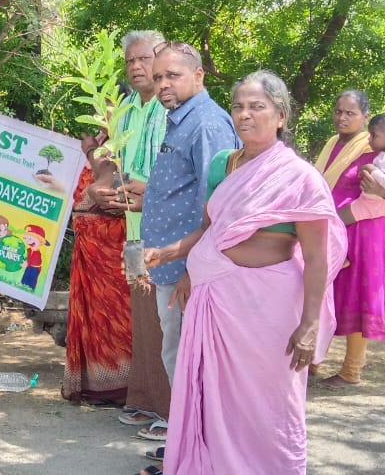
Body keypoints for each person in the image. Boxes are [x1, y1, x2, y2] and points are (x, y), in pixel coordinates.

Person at [140, 71, 346, 475]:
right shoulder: (223, 164)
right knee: (216, 396)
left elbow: (317, 258)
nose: (245, 115)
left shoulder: (300, 178)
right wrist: (171, 255)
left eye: (257, 107)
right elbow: (209, 229)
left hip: (269, 307)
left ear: (281, 115)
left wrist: (309, 324)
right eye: (238, 106)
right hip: (215, 300)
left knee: (272, 402)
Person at [130, 41, 240, 445]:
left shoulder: (208, 124)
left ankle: (196, 448)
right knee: (177, 355)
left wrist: (194, 269)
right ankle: (189, 445)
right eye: (158, 77)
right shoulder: (180, 119)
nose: (161, 85)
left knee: (189, 360)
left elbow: (213, 204)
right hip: (170, 264)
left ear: (199, 76)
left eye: (171, 75)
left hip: (188, 270)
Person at [85, 30, 171, 430]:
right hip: (135, 227)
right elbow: (124, 170)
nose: (137, 67)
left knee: (168, 324)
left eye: (145, 59)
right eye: (130, 61)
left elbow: (185, 178)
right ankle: (148, 401)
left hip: (169, 231)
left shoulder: (174, 109)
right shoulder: (132, 111)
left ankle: (175, 412)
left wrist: (142, 191)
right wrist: (109, 192)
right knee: (145, 322)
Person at [312, 89, 385, 389]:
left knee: (356, 297)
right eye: (338, 111)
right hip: (328, 232)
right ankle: (312, 361)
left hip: (363, 233)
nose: (342, 117)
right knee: (321, 294)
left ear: (365, 116)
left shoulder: (378, 146)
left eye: (350, 113)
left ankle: (351, 370)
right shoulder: (333, 144)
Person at [61, 133, 131, 405]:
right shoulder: (92, 151)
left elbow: (110, 192)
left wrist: (92, 150)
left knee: (116, 319)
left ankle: (122, 386)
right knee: (91, 317)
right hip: (88, 254)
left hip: (114, 255)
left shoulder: (125, 149)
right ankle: (95, 384)